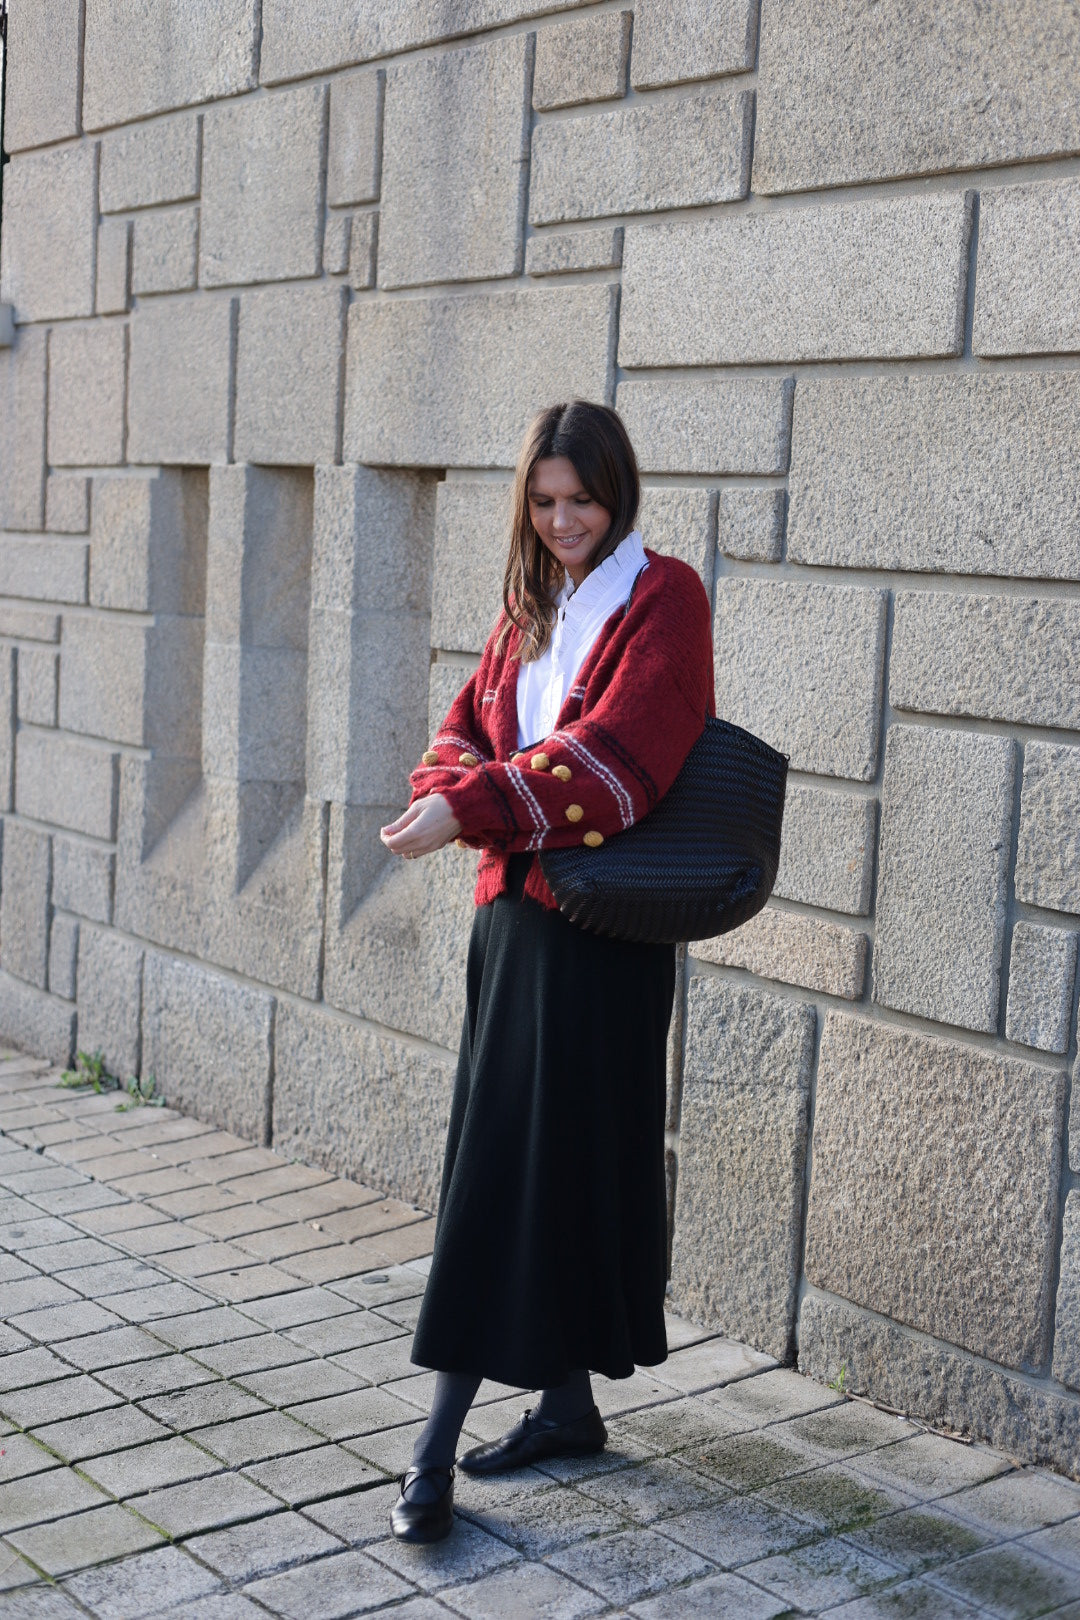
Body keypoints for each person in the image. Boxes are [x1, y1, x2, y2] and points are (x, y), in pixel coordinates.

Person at [378, 399, 715, 1542]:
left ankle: (430, 1454)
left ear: (618, 494)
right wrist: (454, 792)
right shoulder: (529, 604)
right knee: (534, 1165)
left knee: (505, 1178)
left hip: (602, 942)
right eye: (545, 500)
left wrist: (467, 805)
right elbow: (464, 730)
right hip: (513, 928)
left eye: (583, 500)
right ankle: (567, 1409)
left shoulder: (665, 599)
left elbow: (615, 767)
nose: (564, 521)